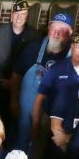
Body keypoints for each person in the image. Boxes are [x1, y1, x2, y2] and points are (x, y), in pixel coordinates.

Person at [11, 12, 73, 151]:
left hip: (57, 103)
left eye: (62, 30)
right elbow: (16, 74)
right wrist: (14, 100)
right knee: (23, 134)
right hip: (30, 100)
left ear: (70, 32)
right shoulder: (34, 47)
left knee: (51, 140)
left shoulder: (75, 54)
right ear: (49, 28)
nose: (56, 33)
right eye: (53, 28)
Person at [0, 0, 39, 123]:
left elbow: (33, 65)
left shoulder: (34, 36)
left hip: (19, 87)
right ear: (11, 14)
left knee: (10, 125)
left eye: (23, 14)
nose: (19, 17)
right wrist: (2, 80)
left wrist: (13, 82)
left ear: (27, 16)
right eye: (16, 14)